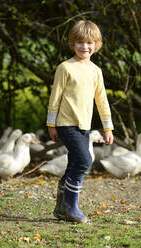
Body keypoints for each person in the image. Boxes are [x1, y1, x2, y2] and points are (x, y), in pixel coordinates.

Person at [46, 20, 114, 223]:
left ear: (97, 44)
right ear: (73, 44)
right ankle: (71, 206)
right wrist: (51, 124)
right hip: (66, 123)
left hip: (85, 126)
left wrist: (107, 127)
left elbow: (102, 101)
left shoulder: (96, 72)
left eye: (89, 42)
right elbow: (55, 97)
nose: (85, 47)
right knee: (85, 161)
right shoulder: (65, 68)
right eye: (80, 43)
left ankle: (61, 207)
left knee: (75, 163)